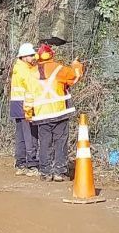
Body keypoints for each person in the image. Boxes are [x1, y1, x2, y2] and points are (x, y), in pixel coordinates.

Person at [28, 44, 84, 181]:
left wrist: (28, 113)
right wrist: (76, 65)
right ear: (52, 55)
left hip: (41, 114)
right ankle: (59, 171)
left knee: (45, 143)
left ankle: (46, 172)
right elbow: (75, 76)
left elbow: (28, 96)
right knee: (60, 142)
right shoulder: (59, 69)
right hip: (59, 113)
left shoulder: (32, 73)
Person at [10, 43, 40, 176]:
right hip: (25, 104)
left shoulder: (18, 67)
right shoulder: (25, 70)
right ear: (24, 56)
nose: (33, 57)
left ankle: (20, 163)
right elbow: (32, 86)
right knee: (30, 134)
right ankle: (32, 163)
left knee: (21, 134)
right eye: (31, 55)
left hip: (16, 104)